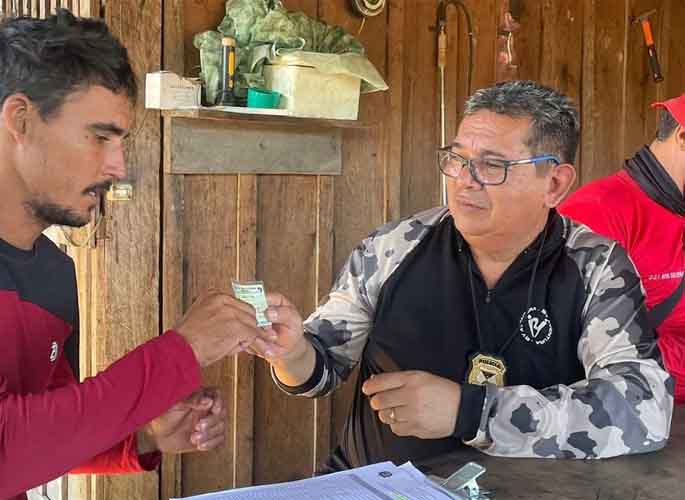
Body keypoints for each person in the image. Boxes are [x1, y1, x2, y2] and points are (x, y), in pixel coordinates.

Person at [0, 10, 267, 500]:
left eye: (120, 142)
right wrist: (182, 352)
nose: (117, 167)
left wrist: (143, 435)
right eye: (99, 137)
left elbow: (35, 433)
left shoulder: (55, 272)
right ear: (20, 120)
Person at [249, 80, 673, 470]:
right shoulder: (395, 247)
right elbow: (322, 367)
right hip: (374, 486)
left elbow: (644, 409)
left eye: (492, 166)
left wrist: (471, 412)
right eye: (457, 159)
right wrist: (292, 352)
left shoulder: (594, 266)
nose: (465, 181)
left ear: (555, 184)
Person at [560, 94, 685, 404]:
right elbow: (578, 348)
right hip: (629, 414)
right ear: (682, 137)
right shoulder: (597, 211)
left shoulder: (676, 208)